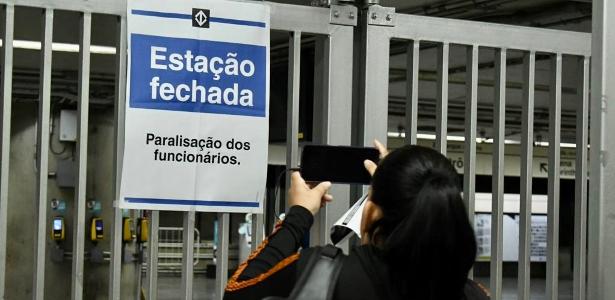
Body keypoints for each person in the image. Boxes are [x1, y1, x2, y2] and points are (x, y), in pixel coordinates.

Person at [224, 142, 489, 300]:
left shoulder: (320, 274)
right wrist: (398, 180)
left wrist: (299, 214)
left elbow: (237, 291)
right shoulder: (473, 293)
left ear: (371, 212)